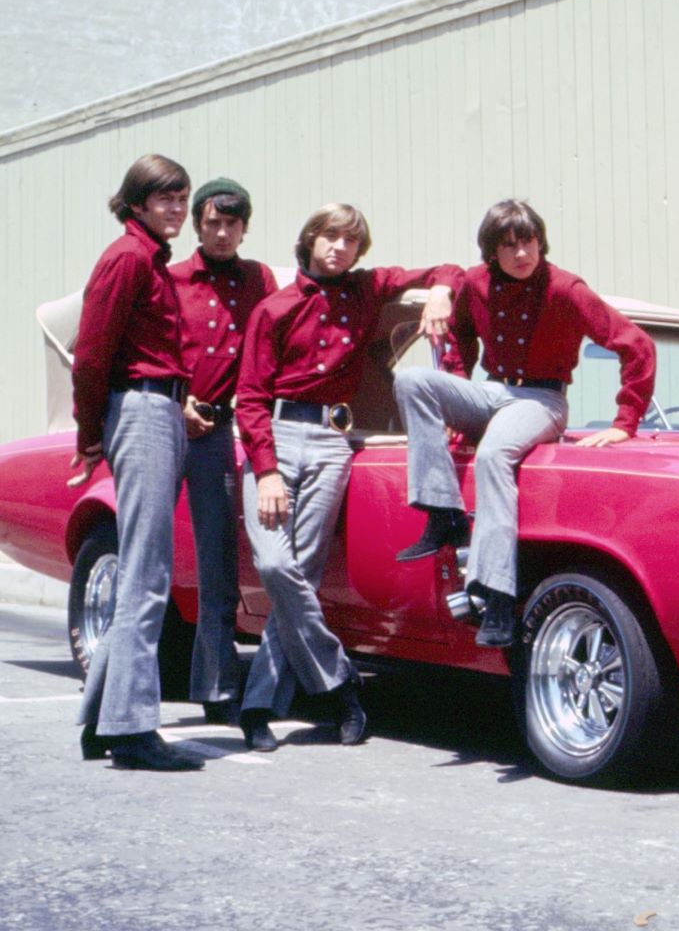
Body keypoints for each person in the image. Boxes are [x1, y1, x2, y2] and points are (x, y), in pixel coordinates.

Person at [235, 202, 462, 752]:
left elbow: (450, 269)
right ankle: (341, 684)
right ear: (310, 239)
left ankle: (258, 706)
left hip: (334, 442)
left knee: (301, 578)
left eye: (350, 241)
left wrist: (440, 292)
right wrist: (265, 471)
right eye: (330, 237)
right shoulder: (276, 308)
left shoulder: (366, 290)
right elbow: (249, 398)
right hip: (275, 439)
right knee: (275, 564)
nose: (339, 248)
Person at [393, 199, 656, 647]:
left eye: (528, 241)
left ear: (541, 242)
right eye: (509, 245)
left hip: (542, 398)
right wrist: (458, 388)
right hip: (491, 391)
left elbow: (638, 344)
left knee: (494, 454)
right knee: (414, 380)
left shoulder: (566, 289)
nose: (521, 254)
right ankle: (443, 514)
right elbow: (458, 335)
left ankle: (496, 594)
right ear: (492, 251)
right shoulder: (476, 284)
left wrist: (625, 422)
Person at [72, 154, 205, 771]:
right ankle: (132, 729)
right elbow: (92, 352)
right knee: (147, 573)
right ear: (137, 203)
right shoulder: (128, 257)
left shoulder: (149, 258)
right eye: (165, 199)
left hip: (164, 410)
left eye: (182, 198)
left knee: (140, 571)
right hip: (143, 411)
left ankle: (103, 720)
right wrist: (88, 434)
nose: (177, 209)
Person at [170, 178, 280, 725]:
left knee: (218, 560)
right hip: (170, 423)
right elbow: (142, 348)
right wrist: (177, 401)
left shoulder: (260, 280)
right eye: (211, 223)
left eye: (231, 224)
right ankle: (106, 704)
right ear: (197, 225)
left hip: (222, 430)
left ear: (244, 227)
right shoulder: (168, 280)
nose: (220, 232)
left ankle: (215, 688)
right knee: (142, 563)